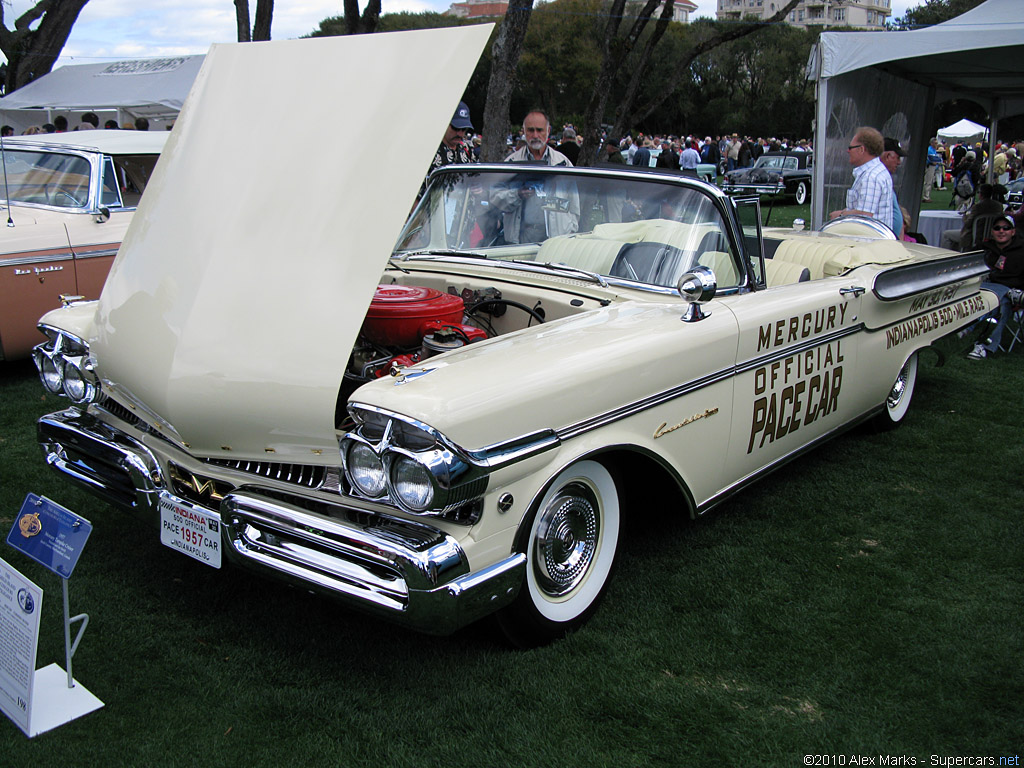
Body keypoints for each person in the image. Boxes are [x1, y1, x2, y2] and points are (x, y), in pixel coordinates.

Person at [967, 214, 1024, 359]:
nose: (1001, 231)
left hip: (1010, 293)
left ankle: (981, 345)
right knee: (997, 301)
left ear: (1013, 231)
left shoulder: (1021, 250)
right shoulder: (984, 248)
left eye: (1006, 228)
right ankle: (977, 341)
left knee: (1002, 304)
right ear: (992, 231)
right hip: (983, 288)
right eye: (997, 228)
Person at [829, 127, 894, 232]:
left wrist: (840, 215)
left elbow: (864, 216)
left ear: (861, 149)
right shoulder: (877, 171)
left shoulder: (871, 177)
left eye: (850, 148)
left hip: (869, 244)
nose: (848, 151)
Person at [419, 100, 475, 199]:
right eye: (455, 128)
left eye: (464, 129)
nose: (460, 134)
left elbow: (475, 179)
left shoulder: (467, 149)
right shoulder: (428, 151)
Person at [940, 183, 1006, 251]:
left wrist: (965, 217)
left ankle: (945, 257)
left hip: (975, 236)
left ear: (981, 194)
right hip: (993, 236)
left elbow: (968, 224)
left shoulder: (978, 206)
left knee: (946, 235)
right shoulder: (999, 206)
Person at [504, 110, 572, 166]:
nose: (535, 136)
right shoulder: (510, 162)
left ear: (548, 131)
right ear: (524, 131)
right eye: (531, 130)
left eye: (539, 130)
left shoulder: (563, 162)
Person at [880, 137, 905, 237]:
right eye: (897, 158)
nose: (899, 163)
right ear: (887, 156)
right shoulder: (877, 179)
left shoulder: (885, 179)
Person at [922, 138, 943, 202]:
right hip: (930, 166)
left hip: (933, 167)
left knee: (930, 181)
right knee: (928, 182)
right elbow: (932, 159)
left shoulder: (933, 150)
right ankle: (926, 197)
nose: (936, 145)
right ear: (931, 143)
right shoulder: (930, 150)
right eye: (935, 143)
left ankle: (927, 195)